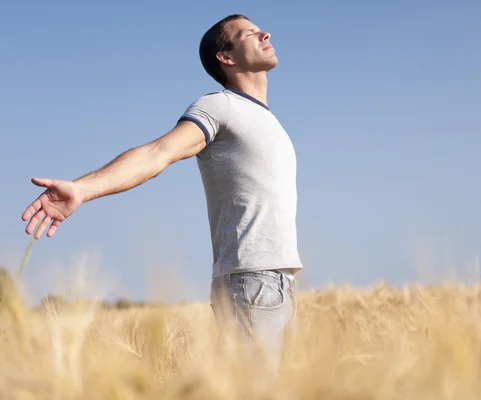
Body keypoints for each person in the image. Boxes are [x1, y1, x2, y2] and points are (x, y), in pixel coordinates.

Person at [21, 14, 302, 376]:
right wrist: (82, 188)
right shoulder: (220, 106)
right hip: (252, 281)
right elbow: (158, 153)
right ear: (226, 57)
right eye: (249, 33)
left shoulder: (265, 118)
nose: (265, 33)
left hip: (280, 281)